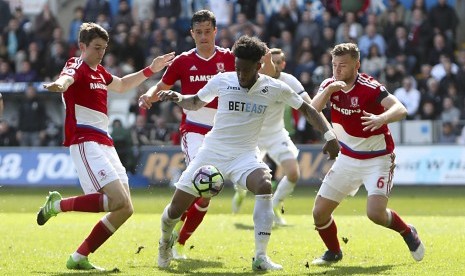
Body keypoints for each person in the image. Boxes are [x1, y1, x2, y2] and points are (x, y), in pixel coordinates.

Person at [143, 35, 340, 271]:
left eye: (245, 70)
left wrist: (329, 135)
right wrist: (178, 98)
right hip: (211, 153)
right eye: (237, 68)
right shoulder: (223, 80)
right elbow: (195, 102)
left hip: (244, 156)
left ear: (258, 66)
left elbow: (307, 109)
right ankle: (165, 242)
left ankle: (260, 257)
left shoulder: (273, 87)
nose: (240, 74)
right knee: (174, 211)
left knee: (265, 184)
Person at [36, 22, 174, 271]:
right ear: (82, 46)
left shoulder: (100, 72)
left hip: (105, 142)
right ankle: (56, 206)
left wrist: (150, 70)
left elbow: (121, 85)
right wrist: (60, 84)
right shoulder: (76, 64)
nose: (101, 53)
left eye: (104, 48)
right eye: (96, 48)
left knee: (126, 208)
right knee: (117, 200)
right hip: (85, 141)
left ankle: (79, 257)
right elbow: (67, 77)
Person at [138, 10, 275, 260]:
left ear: (215, 31)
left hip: (225, 132)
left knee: (205, 197)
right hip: (194, 130)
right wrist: (149, 96)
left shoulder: (228, 58)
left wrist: (266, 62)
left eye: (207, 31)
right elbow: (163, 86)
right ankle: (170, 237)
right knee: (203, 184)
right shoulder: (182, 61)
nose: (203, 36)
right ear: (192, 33)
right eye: (198, 32)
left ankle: (179, 242)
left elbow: (258, 77)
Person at [309, 42, 425, 265]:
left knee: (375, 214)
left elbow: (400, 108)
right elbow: (312, 111)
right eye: (334, 65)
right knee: (319, 213)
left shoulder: (370, 87)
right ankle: (334, 252)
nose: (337, 70)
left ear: (357, 65)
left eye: (343, 65)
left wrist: (382, 118)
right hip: (347, 158)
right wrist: (328, 91)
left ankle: (407, 231)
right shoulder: (329, 85)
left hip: (378, 159)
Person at [231, 48, 331, 226]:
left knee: (293, 173)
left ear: (283, 64)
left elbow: (310, 106)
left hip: (276, 134)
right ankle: (240, 193)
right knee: (243, 178)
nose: (274, 65)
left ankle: (275, 206)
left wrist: (328, 132)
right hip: (253, 135)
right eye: (271, 62)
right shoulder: (253, 79)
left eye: (278, 62)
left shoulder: (289, 80)